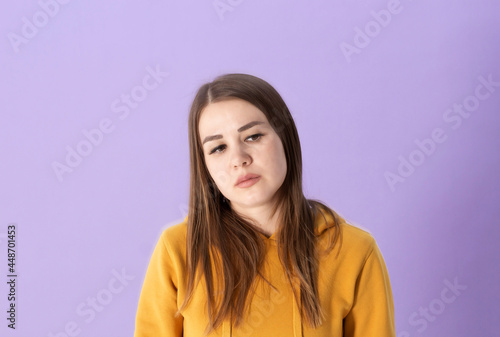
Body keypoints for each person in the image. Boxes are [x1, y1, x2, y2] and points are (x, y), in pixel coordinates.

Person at [134, 73, 396, 337]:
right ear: (205, 166)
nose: (238, 159)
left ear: (286, 139)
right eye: (218, 148)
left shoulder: (355, 251)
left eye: (253, 136)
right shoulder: (178, 249)